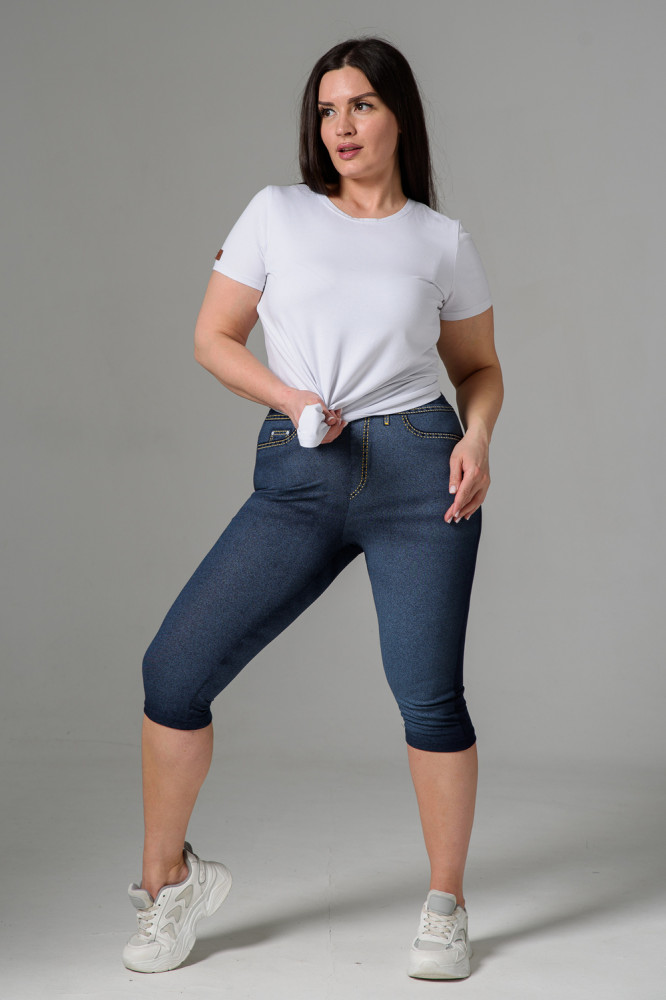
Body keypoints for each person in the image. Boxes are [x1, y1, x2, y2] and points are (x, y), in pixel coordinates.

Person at [121, 35, 503, 982]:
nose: (341, 126)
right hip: (303, 468)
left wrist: (478, 437)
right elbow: (214, 337)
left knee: (429, 695)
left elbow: (478, 369)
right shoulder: (276, 213)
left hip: (421, 471)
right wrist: (291, 398)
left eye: (361, 105)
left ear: (399, 115)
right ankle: (169, 883)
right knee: (174, 671)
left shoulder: (441, 240)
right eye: (327, 110)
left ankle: (446, 908)